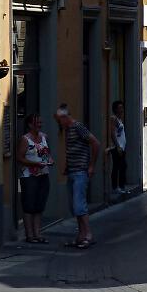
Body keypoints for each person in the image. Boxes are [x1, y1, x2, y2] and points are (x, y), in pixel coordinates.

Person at [54, 103, 100, 249]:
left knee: (79, 205)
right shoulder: (67, 130)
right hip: (73, 171)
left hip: (81, 171)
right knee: (74, 206)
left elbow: (95, 143)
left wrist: (91, 165)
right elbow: (71, 150)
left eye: (59, 119)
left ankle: (88, 235)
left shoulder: (78, 127)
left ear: (65, 117)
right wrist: (67, 166)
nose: (58, 122)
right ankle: (81, 236)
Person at [16, 112, 53, 244]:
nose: (40, 125)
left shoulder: (44, 137)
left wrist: (50, 160)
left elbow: (47, 153)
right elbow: (19, 157)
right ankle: (29, 235)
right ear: (30, 125)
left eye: (40, 122)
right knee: (28, 205)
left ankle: (37, 234)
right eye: (37, 123)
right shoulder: (25, 139)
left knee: (39, 205)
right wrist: (34, 164)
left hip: (43, 174)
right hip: (29, 176)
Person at [109, 100, 128, 197]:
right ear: (115, 109)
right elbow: (112, 133)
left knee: (122, 166)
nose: (121, 109)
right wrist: (118, 146)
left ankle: (121, 186)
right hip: (117, 148)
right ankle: (116, 187)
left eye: (122, 107)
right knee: (117, 167)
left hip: (122, 147)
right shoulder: (114, 119)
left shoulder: (119, 119)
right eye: (119, 107)